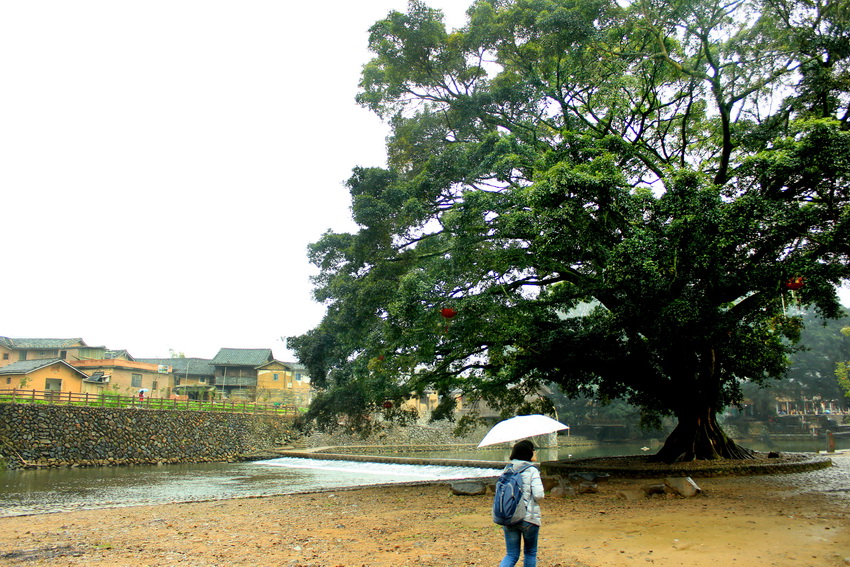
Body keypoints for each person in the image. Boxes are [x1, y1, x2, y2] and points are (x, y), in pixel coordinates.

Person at [499, 439, 545, 567]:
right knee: (530, 553)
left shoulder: (507, 469)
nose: (535, 452)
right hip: (528, 518)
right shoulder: (532, 470)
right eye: (533, 450)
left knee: (511, 554)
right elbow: (539, 495)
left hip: (509, 516)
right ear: (528, 452)